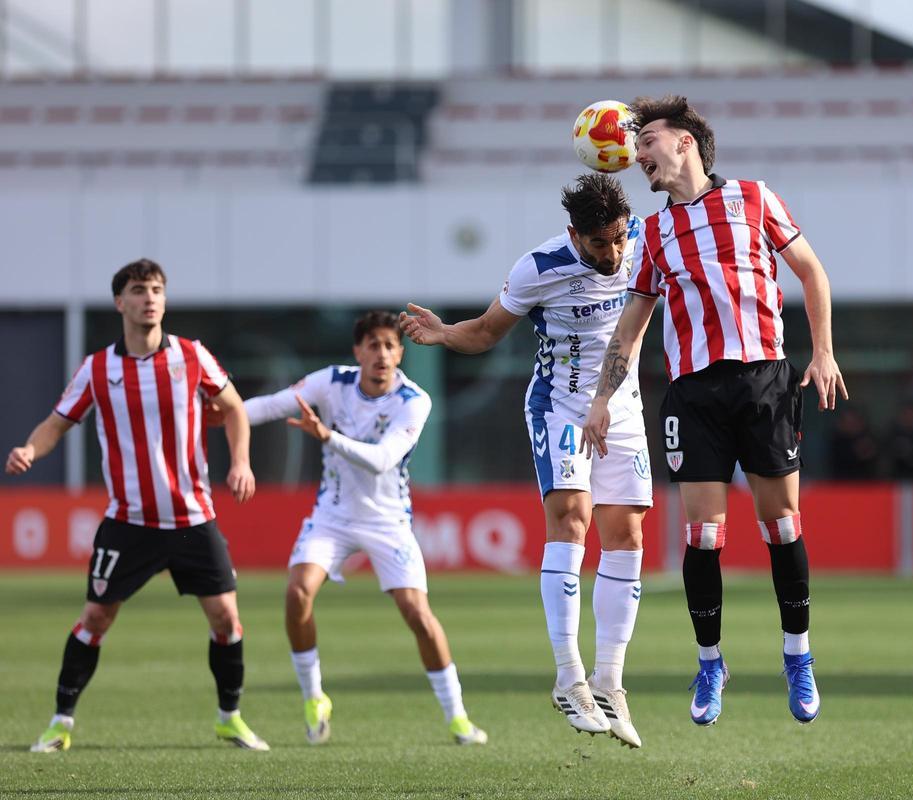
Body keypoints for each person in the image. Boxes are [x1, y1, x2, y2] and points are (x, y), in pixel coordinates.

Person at [581, 96, 847, 727]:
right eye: (634, 145)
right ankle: (710, 663)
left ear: (686, 143)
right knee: (702, 535)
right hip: (694, 393)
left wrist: (824, 352)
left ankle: (797, 656)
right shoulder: (649, 233)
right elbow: (631, 327)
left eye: (647, 139)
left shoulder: (755, 198)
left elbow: (811, 273)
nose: (637, 153)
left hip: (764, 380)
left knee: (782, 524)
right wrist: (600, 397)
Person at [400, 174, 650, 748]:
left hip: (623, 406)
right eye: (597, 244)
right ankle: (569, 677)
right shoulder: (537, 267)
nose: (611, 254)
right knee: (572, 519)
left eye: (615, 240)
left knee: (627, 532)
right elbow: (487, 331)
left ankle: (609, 681)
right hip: (561, 406)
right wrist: (444, 335)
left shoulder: (643, 242)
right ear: (574, 235)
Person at [6, 259, 268, 752]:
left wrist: (241, 462)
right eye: (138, 290)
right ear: (119, 302)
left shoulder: (192, 357)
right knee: (95, 619)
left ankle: (229, 717)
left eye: (156, 290)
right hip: (129, 522)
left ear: (164, 301)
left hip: (193, 518)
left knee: (226, 619)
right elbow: (56, 424)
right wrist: (29, 449)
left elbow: (234, 408)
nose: (149, 298)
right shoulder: (98, 368)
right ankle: (60, 723)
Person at [230, 311, 487, 746]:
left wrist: (327, 438)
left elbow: (384, 458)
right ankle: (315, 698)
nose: (381, 354)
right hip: (332, 515)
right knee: (296, 594)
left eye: (389, 345)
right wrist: (225, 411)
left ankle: (458, 717)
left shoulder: (413, 400)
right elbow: (273, 405)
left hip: (388, 522)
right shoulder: (331, 382)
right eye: (373, 345)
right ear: (358, 352)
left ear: (401, 352)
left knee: (419, 616)